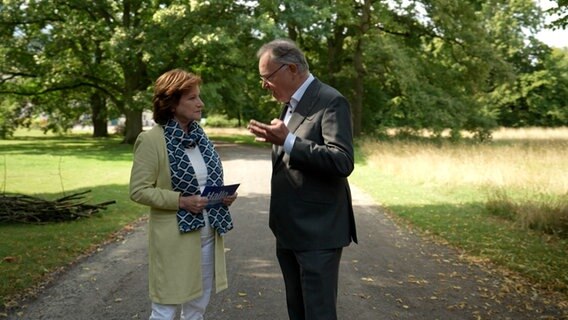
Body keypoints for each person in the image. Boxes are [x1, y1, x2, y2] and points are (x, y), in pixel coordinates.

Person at [247, 39, 358, 320]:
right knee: (297, 312)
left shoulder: (331, 101)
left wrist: (289, 141)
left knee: (318, 314)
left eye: (267, 78)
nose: (264, 85)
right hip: (289, 231)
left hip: (318, 233)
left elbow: (342, 161)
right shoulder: (290, 105)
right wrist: (283, 141)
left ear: (292, 69)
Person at [129, 69, 237, 320]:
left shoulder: (200, 137)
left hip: (209, 232)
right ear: (171, 103)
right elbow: (138, 190)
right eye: (192, 98)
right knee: (165, 309)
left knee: (197, 307)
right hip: (174, 238)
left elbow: (205, 181)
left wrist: (221, 196)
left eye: (199, 97)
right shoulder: (151, 140)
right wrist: (180, 201)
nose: (201, 103)